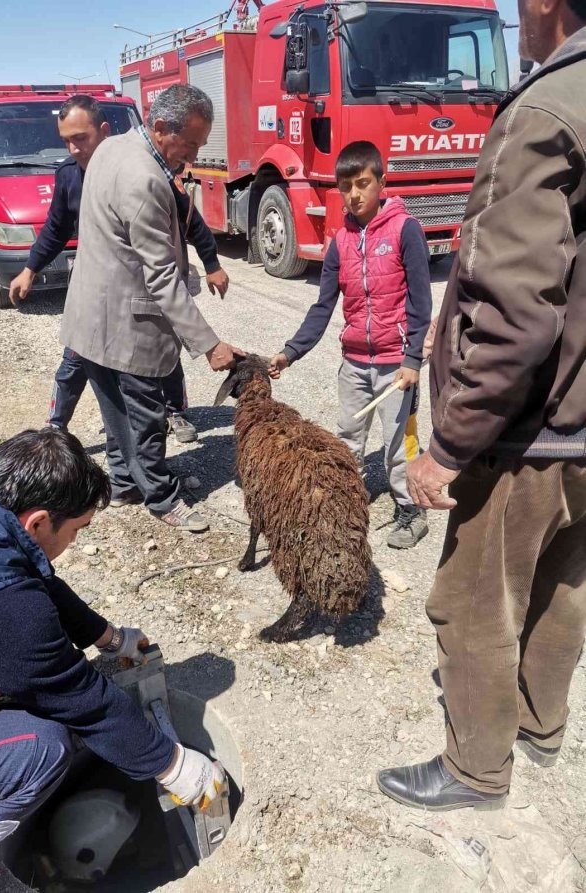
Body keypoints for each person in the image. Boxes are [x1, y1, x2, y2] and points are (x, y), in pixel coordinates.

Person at [377, 0, 586, 810]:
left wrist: (449, 446)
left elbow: (512, 311)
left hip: (528, 431)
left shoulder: (544, 109)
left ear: (543, 5)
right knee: (564, 586)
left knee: (473, 602)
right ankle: (541, 725)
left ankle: (474, 769)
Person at [0, 428, 223, 891]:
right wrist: (170, 764)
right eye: (77, 530)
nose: (76, 541)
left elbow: (25, 572)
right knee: (42, 743)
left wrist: (107, 637)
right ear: (38, 521)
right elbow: (82, 700)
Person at [60, 84, 241, 533]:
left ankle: (124, 484)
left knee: (113, 410)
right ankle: (162, 498)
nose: (193, 156)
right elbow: (161, 277)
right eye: (192, 144)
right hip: (128, 323)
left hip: (91, 315)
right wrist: (209, 344)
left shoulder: (110, 148)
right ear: (161, 128)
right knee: (145, 417)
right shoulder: (145, 179)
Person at [8, 94, 230, 445]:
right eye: (66, 140)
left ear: (104, 131)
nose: (74, 148)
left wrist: (212, 262)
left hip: (138, 303)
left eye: (80, 138)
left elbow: (189, 220)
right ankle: (58, 425)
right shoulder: (72, 175)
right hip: (98, 300)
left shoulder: (153, 169)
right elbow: (56, 227)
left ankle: (171, 414)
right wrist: (31, 268)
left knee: (164, 359)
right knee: (83, 365)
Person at [268, 141, 432, 549]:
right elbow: (323, 306)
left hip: (397, 367)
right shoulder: (340, 241)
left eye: (363, 183)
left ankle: (411, 512)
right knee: (347, 438)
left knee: (399, 445)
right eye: (346, 187)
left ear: (381, 182)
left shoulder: (405, 230)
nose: (355, 195)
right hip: (354, 364)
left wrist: (412, 359)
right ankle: (346, 505)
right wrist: (291, 352)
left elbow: (421, 301)